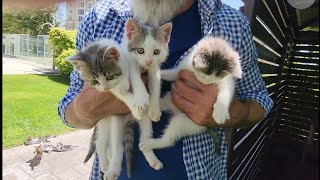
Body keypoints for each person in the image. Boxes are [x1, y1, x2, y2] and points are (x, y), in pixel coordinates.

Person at [58, 0, 274, 179]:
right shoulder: (98, 18)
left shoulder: (231, 23)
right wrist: (84, 109)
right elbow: (68, 110)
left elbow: (259, 99)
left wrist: (229, 111)